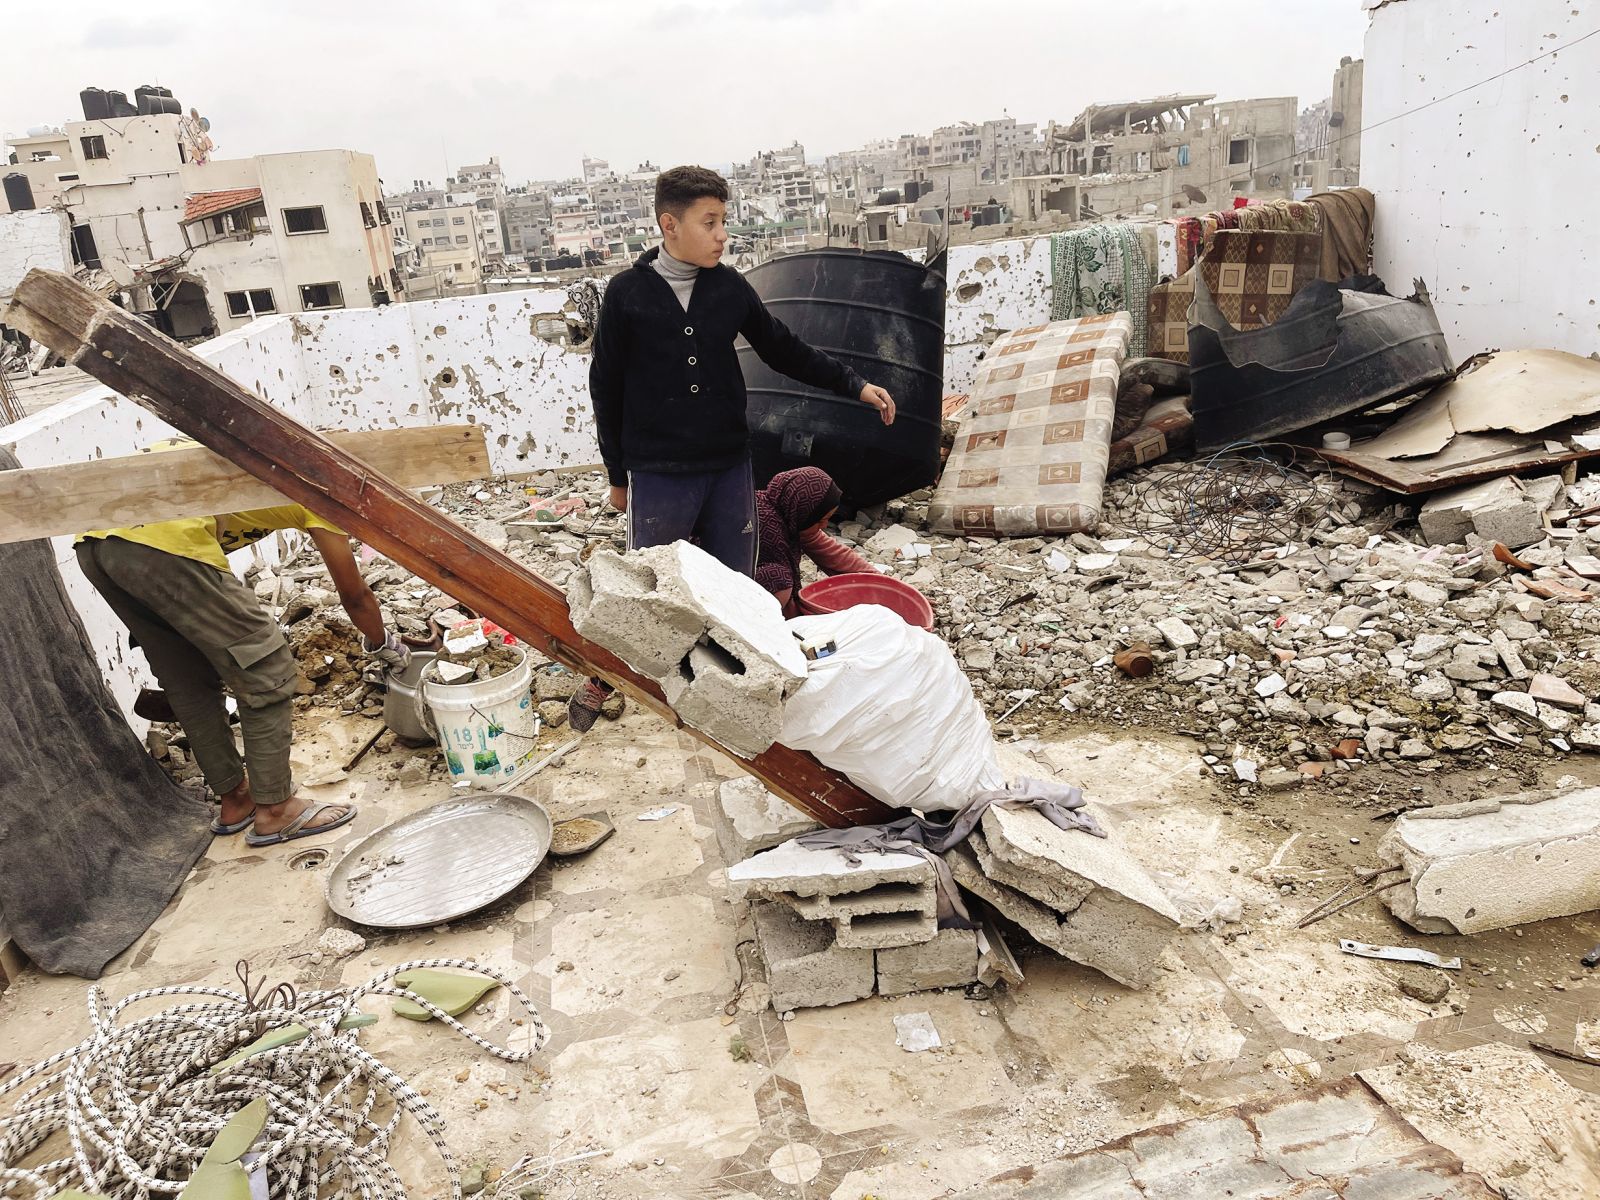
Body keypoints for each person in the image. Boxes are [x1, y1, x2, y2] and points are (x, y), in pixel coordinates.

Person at [568, 165, 897, 731]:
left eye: (725, 221)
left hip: (727, 466)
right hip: (660, 471)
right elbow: (607, 387)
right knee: (649, 591)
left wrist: (853, 384)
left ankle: (728, 694)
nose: (723, 235)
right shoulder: (626, 295)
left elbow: (782, 348)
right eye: (710, 222)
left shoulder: (727, 287)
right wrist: (618, 474)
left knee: (734, 590)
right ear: (670, 225)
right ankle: (614, 681)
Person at [75, 492, 409, 847]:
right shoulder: (326, 496)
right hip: (160, 543)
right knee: (266, 665)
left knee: (186, 676)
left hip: (95, 542)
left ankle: (236, 799)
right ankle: (277, 809)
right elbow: (355, 595)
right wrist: (382, 642)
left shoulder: (269, 459)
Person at [754, 467, 874, 618]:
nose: (824, 526)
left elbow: (833, 553)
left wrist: (879, 581)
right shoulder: (768, 530)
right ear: (802, 512)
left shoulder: (785, 510)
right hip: (731, 592)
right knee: (779, 579)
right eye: (819, 521)